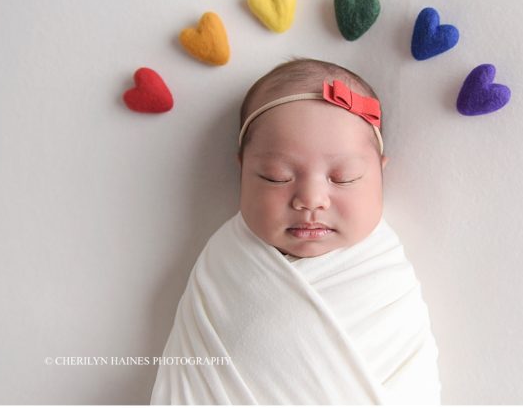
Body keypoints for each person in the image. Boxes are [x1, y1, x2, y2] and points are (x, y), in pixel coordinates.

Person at [151, 58, 442, 404]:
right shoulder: (224, 264)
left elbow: (411, 377)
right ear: (242, 172)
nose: (311, 200)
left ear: (380, 173)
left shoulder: (385, 273)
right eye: (276, 177)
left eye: (344, 178)